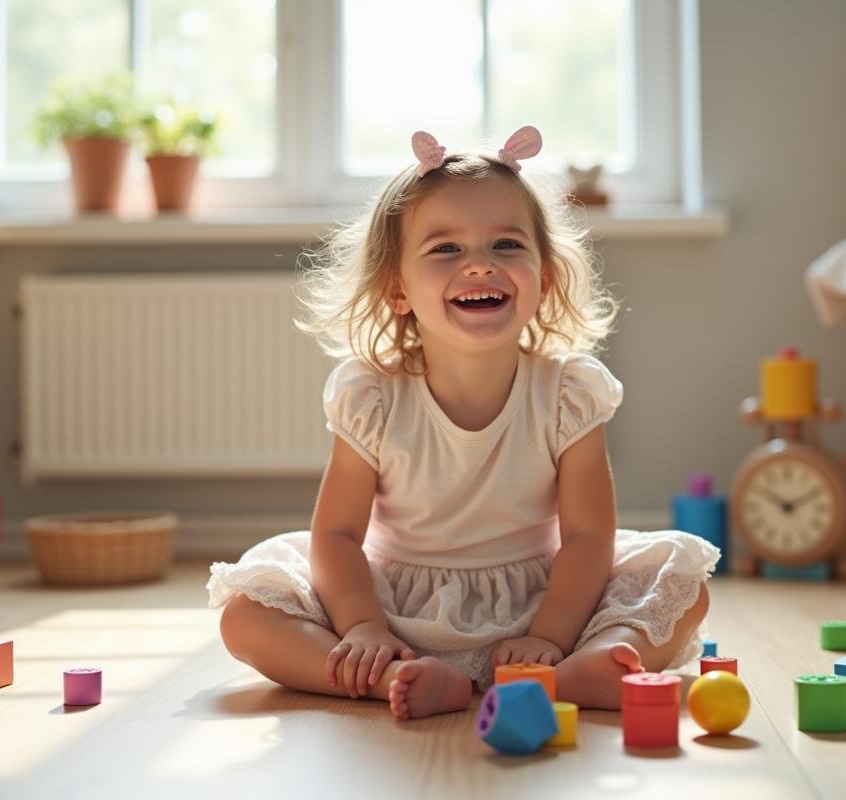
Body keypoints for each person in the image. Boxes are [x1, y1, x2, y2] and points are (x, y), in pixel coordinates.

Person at [210, 125, 718, 720]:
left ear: (545, 277)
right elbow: (339, 536)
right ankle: (393, 678)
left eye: (506, 245)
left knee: (683, 585)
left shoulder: (568, 393)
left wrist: (551, 637)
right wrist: (365, 627)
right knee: (245, 616)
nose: (479, 265)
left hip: (545, 604)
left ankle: (582, 667)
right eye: (446, 249)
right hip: (395, 605)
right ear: (397, 288)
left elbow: (587, 535)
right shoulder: (372, 395)